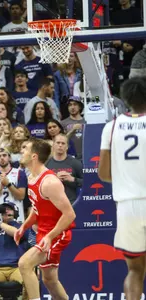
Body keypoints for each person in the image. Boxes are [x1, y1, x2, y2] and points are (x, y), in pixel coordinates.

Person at [98, 77, 146, 300]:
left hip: (127, 206)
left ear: (125, 99)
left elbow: (103, 174)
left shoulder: (112, 126)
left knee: (135, 271)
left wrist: (127, 179)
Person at [16, 138, 76, 300]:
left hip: (58, 233)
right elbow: (37, 208)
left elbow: (70, 215)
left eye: (25, 148)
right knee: (50, 280)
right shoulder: (31, 177)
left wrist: (50, 236)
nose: (22, 151)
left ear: (34, 156)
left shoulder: (50, 182)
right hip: (43, 231)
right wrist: (24, 226)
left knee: (24, 264)